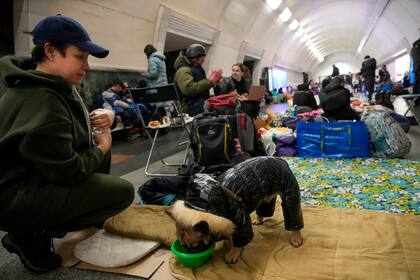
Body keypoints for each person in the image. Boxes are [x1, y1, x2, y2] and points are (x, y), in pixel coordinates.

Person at [0, 15, 134, 273]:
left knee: (102, 190)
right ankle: (26, 234)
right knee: (122, 193)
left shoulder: (49, 84)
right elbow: (68, 171)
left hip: (28, 180)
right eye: (80, 56)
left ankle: (37, 224)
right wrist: (103, 146)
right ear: (51, 51)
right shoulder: (41, 99)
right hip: (12, 198)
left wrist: (104, 117)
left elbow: (67, 132)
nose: (87, 66)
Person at [166, 156, 304, 264]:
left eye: (186, 236)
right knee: (259, 195)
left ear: (201, 227)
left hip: (277, 170)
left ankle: (296, 231)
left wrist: (237, 247)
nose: (183, 238)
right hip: (259, 175)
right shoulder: (203, 206)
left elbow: (243, 223)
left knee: (290, 200)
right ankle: (262, 216)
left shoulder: (228, 207)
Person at [174, 44, 221, 116]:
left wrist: (214, 81)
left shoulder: (195, 68)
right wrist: (209, 81)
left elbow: (200, 84)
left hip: (197, 104)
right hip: (187, 108)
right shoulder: (183, 70)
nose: (204, 60)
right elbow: (188, 89)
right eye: (202, 58)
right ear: (196, 58)